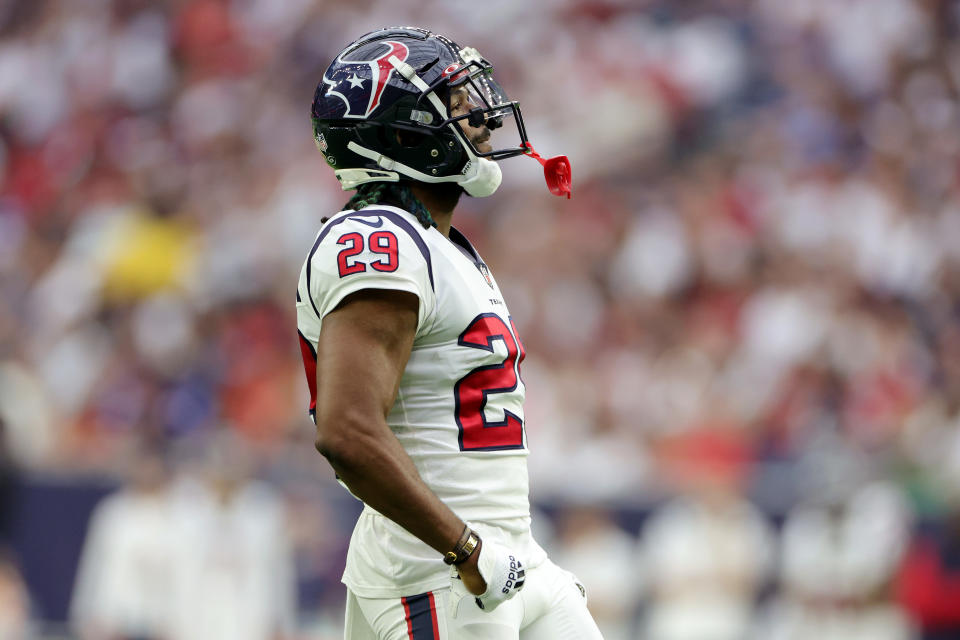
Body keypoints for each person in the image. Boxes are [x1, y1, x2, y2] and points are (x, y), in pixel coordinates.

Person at [296, 26, 598, 640]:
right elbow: (347, 430)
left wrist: (495, 548)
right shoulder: (376, 241)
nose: (482, 121)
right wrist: (465, 549)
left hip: (504, 559)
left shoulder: (442, 247)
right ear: (403, 133)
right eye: (456, 108)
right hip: (439, 572)